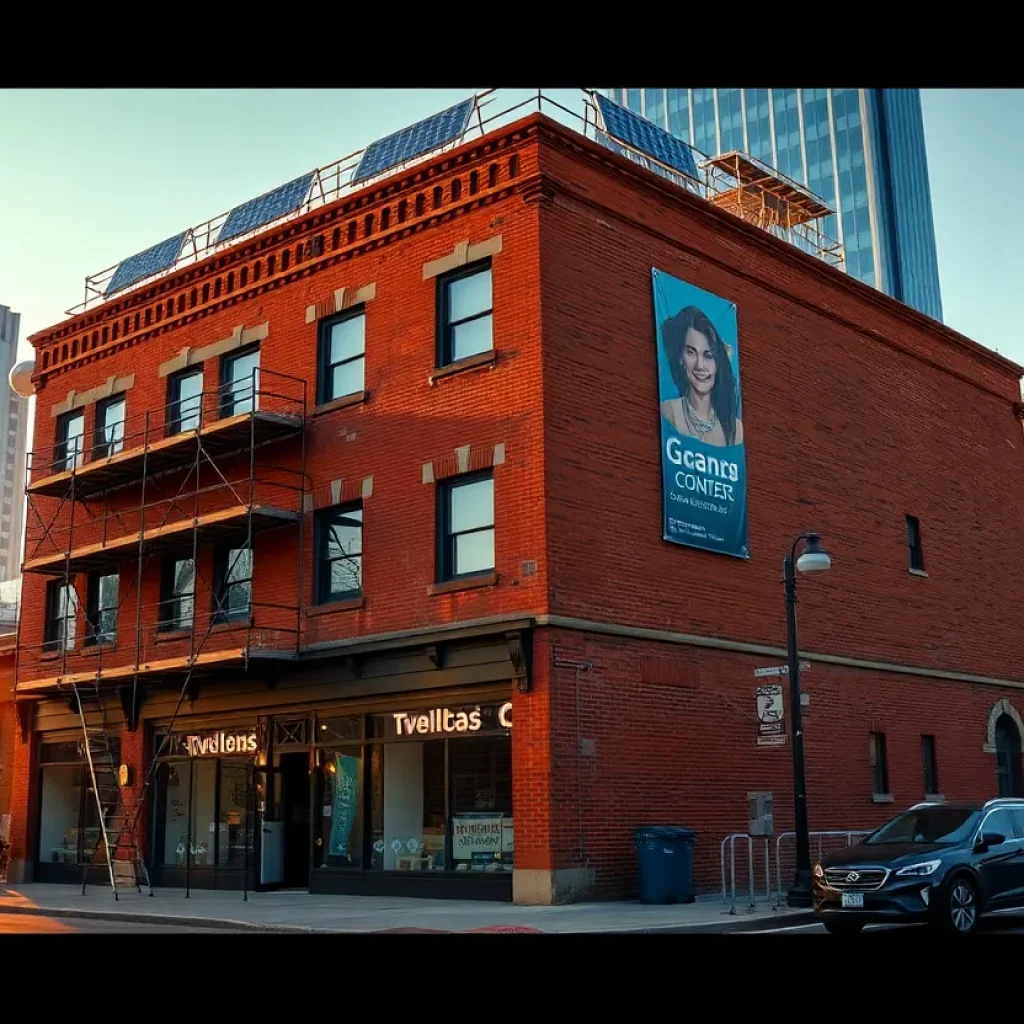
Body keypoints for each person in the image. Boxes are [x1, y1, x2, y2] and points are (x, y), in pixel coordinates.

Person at [660, 305, 744, 448]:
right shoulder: (668, 412)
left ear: (719, 363)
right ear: (681, 358)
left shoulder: (736, 430)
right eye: (691, 352)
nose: (700, 365)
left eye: (708, 356)